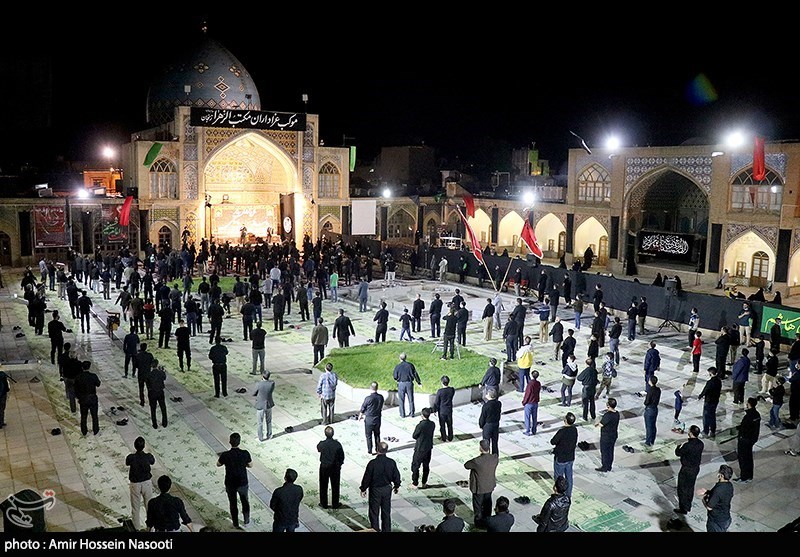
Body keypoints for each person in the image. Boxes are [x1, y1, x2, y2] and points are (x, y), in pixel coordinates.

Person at [359, 441, 401, 532]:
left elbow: (367, 477)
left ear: (377, 450)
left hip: (375, 490)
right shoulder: (391, 462)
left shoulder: (372, 463)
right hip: (387, 489)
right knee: (386, 512)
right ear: (387, 450)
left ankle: (375, 529)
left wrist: (363, 488)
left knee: (374, 512)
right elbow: (396, 475)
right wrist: (397, 485)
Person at [217, 432, 253, 529]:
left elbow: (218, 464)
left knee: (233, 503)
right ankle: (246, 521)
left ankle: (235, 523)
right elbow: (250, 465)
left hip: (230, 483)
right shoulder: (245, 453)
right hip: (242, 482)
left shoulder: (225, 455)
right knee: (245, 502)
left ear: (230, 442)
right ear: (239, 442)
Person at [464, 439, 498, 528]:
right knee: (488, 504)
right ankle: (487, 521)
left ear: (480, 448)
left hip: (479, 488)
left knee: (478, 506)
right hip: (489, 485)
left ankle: (479, 524)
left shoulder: (477, 461)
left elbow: (466, 465)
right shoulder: (494, 458)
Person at [126, 436, 155, 531]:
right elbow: (153, 461)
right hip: (146, 483)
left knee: (135, 507)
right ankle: (150, 528)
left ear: (135, 446)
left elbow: (127, 463)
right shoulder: (148, 456)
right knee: (149, 507)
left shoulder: (131, 457)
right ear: (144, 446)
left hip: (135, 484)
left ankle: (136, 528)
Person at [673, 425, 704, 514]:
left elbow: (678, 453)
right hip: (695, 469)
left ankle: (683, 508)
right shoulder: (701, 444)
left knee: (682, 488)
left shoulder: (687, 445)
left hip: (686, 469)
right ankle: (688, 505)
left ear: (690, 433)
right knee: (690, 487)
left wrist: (678, 446)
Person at [550, 412, 578, 499]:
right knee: (569, 477)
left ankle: (559, 495)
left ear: (565, 420)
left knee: (559, 478)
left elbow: (553, 441)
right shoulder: (574, 430)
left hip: (561, 458)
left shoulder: (562, 431)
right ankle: (568, 495)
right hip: (570, 457)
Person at [699, 465, 734, 532]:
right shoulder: (729, 485)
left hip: (716, 521)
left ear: (721, 476)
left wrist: (704, 500)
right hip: (726, 518)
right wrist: (707, 492)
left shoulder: (718, 490)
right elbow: (721, 495)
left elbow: (709, 507)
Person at [734, 397, 761, 483]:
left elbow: (745, 427)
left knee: (743, 458)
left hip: (745, 440)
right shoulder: (757, 414)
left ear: (749, 404)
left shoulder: (748, 416)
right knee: (749, 458)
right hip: (751, 439)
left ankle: (744, 477)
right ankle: (749, 476)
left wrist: (740, 433)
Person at [317, 426, 345, 509]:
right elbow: (342, 456)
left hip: (324, 467)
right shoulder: (337, 444)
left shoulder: (322, 444)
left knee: (323, 485)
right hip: (335, 467)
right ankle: (335, 504)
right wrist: (339, 464)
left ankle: (323, 503)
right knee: (335, 486)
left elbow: (318, 449)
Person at [270, 468, 304, 532]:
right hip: (293, 518)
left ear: (285, 478)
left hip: (280, 519)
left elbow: (272, 505)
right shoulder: (299, 489)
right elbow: (299, 499)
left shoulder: (279, 491)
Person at [410, 408, 436, 489]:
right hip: (428, 448)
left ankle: (415, 483)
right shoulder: (432, 424)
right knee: (426, 466)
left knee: (415, 466)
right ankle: (424, 483)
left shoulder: (420, 425)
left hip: (420, 448)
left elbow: (414, 436)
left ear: (422, 415)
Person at [74, 360, 101, 436]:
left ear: (82, 368)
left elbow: (75, 389)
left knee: (83, 416)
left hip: (83, 398)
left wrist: (79, 397)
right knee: (94, 416)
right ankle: (95, 430)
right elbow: (98, 384)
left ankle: (84, 431)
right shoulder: (93, 376)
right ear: (89, 367)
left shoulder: (78, 377)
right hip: (92, 398)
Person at [393, 352, 421, 418]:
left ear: (399, 358)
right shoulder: (410, 365)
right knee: (411, 399)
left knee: (401, 400)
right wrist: (419, 382)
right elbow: (415, 374)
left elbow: (395, 376)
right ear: (406, 358)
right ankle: (412, 413)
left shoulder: (397, 366)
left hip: (401, 384)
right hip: (409, 383)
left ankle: (402, 414)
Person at [359, 382, 384, 455]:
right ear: (377, 388)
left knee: (368, 436)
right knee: (377, 435)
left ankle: (370, 450)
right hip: (377, 419)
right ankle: (378, 449)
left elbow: (363, 408)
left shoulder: (368, 398)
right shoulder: (381, 397)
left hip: (369, 419)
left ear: (370, 388)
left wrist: (360, 416)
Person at [145, 361, 168, 429]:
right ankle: (164, 423)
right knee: (163, 407)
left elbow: (147, 384)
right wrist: (163, 371)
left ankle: (154, 424)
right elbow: (164, 378)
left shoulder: (149, 374)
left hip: (152, 393)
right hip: (160, 392)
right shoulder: (160, 373)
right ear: (157, 365)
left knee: (153, 409)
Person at [253, 370, 275, 442]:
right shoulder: (272, 383)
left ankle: (260, 437)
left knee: (260, 422)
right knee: (269, 420)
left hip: (260, 404)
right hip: (268, 404)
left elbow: (254, 393)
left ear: (262, 375)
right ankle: (269, 435)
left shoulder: (259, 384)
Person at [432, 375, 455, 442]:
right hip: (449, 410)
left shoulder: (440, 391)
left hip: (442, 411)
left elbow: (436, 402)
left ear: (442, 382)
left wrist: (434, 410)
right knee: (450, 425)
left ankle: (444, 437)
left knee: (442, 425)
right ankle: (450, 437)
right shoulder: (452, 390)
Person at [479, 388, 502, 455]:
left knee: (486, 442)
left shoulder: (486, 406)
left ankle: (486, 456)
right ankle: (495, 455)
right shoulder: (498, 403)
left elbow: (483, 417)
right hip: (496, 424)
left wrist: (481, 425)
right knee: (495, 442)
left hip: (488, 425)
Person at [522, 370, 542, 436]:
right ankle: (534, 430)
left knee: (527, 418)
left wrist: (524, 402)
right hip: (535, 402)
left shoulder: (530, 384)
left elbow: (527, 394)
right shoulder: (538, 383)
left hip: (529, 403)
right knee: (534, 417)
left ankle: (527, 431)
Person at [643, 375, 661, 448]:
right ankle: (652, 440)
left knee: (649, 426)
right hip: (655, 409)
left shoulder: (650, 390)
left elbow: (647, 401)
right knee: (653, 425)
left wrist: (645, 402)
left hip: (649, 409)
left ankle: (648, 442)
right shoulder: (658, 390)